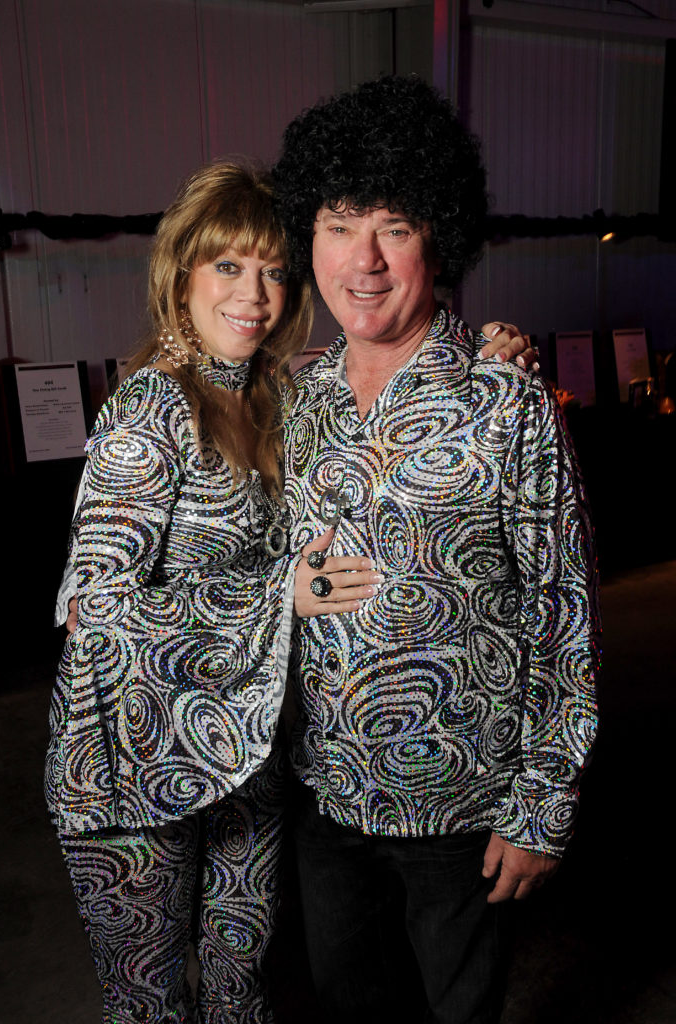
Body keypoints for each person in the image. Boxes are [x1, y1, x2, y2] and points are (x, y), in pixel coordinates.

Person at [273, 75, 600, 1024]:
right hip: (322, 796)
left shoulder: (510, 405)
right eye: (339, 224)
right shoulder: (294, 398)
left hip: (463, 814)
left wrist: (543, 806)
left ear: (439, 240)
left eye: (396, 226)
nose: (363, 259)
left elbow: (564, 612)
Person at [44, 160, 379, 1024]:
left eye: (272, 270)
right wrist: (280, 600)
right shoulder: (150, 408)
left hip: (246, 746)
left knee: (240, 988)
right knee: (149, 1003)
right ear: (180, 275)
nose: (254, 294)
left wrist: (483, 353)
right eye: (228, 266)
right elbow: (96, 610)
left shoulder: (277, 394)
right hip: (130, 754)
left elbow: (376, 384)